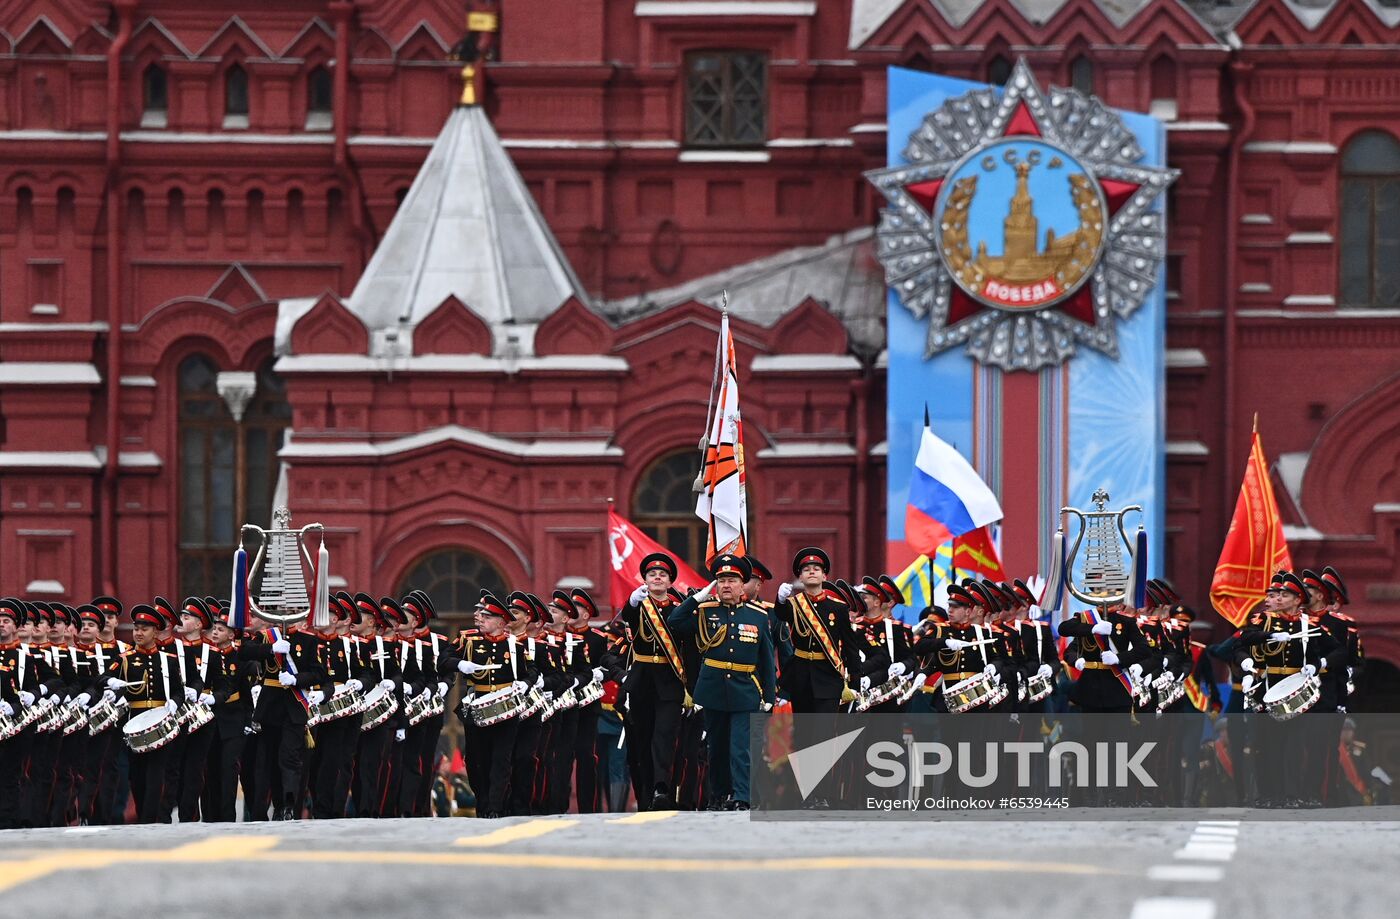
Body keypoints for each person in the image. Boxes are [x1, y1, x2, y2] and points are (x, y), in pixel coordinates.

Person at [667, 555, 776, 811]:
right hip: (713, 688)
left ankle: (742, 796)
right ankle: (719, 795)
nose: (726, 585)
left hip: (745, 688)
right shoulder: (705, 611)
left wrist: (769, 696)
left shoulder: (758, 616)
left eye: (732, 580)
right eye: (721, 580)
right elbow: (675, 622)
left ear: (742, 585)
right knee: (716, 748)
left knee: (741, 747)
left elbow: (766, 658)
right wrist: (697, 597)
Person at [101, 604, 186, 824]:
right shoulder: (124, 658)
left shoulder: (169, 661)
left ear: (156, 632)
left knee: (157, 772)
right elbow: (102, 678)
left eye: (144, 629)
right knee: (136, 775)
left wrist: (175, 703)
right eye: (136, 628)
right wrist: (111, 682)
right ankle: (142, 812)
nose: (138, 633)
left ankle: (151, 818)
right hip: (132, 722)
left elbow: (179, 691)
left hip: (159, 720)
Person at [619, 552, 688, 810]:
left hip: (670, 680)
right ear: (644, 580)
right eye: (652, 575)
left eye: (662, 575)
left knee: (665, 736)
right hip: (643, 681)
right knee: (644, 737)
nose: (657, 578)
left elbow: (687, 647)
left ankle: (662, 788)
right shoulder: (639, 606)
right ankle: (648, 792)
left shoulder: (678, 609)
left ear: (670, 582)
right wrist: (632, 602)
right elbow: (628, 616)